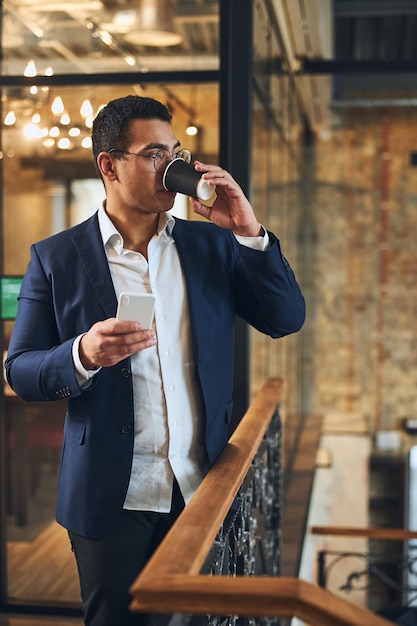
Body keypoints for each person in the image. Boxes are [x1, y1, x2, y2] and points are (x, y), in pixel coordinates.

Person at [5, 94, 306, 626]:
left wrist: (249, 232)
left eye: (176, 152)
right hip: (110, 498)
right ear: (109, 165)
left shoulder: (211, 246)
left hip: (202, 488)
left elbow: (285, 318)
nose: (173, 167)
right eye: (153, 155)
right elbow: (21, 370)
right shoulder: (54, 258)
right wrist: (83, 354)